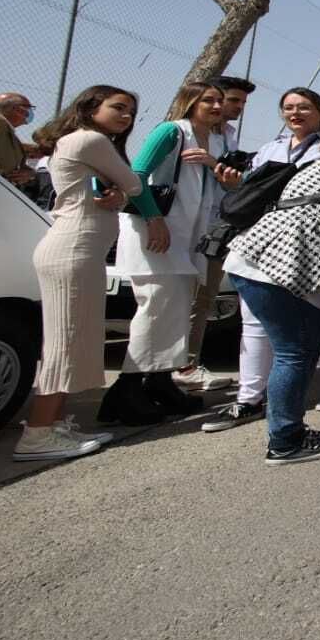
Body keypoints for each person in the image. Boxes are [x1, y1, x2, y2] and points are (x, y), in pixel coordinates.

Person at [201, 88, 320, 434]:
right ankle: (253, 402)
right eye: (288, 107)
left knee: (303, 330)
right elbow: (251, 192)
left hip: (307, 251)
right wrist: (230, 181)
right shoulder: (271, 149)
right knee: (271, 330)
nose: (295, 113)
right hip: (266, 240)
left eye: (303, 107)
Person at [14, 86, 145, 460]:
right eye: (118, 108)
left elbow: (122, 191)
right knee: (64, 342)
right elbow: (134, 183)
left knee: (74, 338)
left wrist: (117, 195)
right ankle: (37, 436)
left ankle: (53, 426)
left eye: (131, 111)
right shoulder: (90, 139)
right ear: (91, 108)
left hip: (78, 249)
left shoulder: (78, 141)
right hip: (73, 248)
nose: (126, 117)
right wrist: (123, 192)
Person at [102, 81, 241, 425]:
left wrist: (215, 166)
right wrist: (154, 218)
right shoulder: (171, 132)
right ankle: (126, 390)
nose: (215, 105)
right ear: (190, 101)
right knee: (155, 309)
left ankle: (161, 382)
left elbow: (227, 185)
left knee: (178, 312)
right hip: (157, 233)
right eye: (208, 99)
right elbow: (135, 176)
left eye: (219, 101)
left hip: (191, 237)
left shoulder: (219, 140)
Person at [222, 141, 320, 463]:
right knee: (294, 353)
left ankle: (289, 433)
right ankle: (285, 441)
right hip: (277, 271)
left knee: (306, 345)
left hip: (261, 265)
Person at [177, 74, 257, 393]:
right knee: (182, 298)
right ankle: (175, 367)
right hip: (181, 228)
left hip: (214, 229)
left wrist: (219, 168)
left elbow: (231, 180)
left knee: (203, 297)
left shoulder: (227, 135)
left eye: (240, 102)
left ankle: (186, 365)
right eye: (231, 100)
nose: (235, 107)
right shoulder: (180, 133)